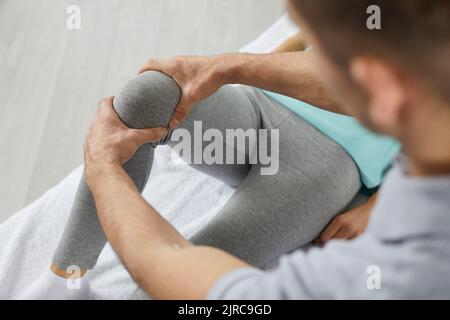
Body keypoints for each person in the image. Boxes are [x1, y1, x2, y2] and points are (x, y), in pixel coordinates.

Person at [20, 1, 408, 299]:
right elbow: (301, 41)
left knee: (182, 280)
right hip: (263, 105)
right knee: (152, 91)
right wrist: (234, 75)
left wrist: (376, 207)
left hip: (331, 161)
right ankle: (64, 279)